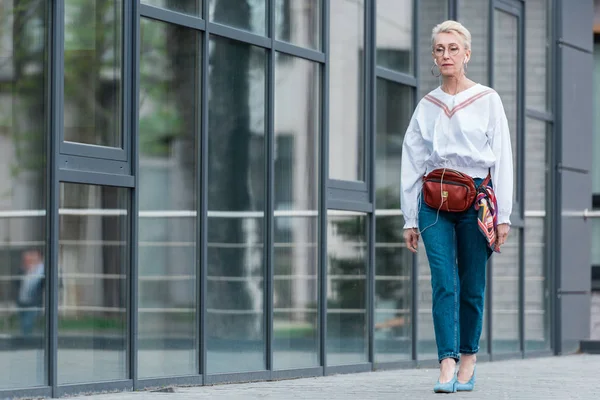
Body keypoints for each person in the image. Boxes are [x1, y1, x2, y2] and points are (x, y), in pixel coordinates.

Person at [400, 20, 513, 393]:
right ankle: (446, 361)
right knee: (443, 283)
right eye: (439, 49)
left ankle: (468, 357)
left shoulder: (487, 99)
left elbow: (502, 161)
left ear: (466, 54)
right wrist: (409, 218)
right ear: (434, 56)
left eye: (452, 48)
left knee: (472, 285)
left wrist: (504, 216)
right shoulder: (427, 105)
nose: (445, 55)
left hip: (476, 202)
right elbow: (412, 161)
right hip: (433, 203)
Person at [16, 249, 45, 336]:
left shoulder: (42, 270)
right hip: (23, 302)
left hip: (33, 303)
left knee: (27, 324)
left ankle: (26, 343)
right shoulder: (26, 270)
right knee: (24, 325)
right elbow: (18, 283)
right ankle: (26, 342)